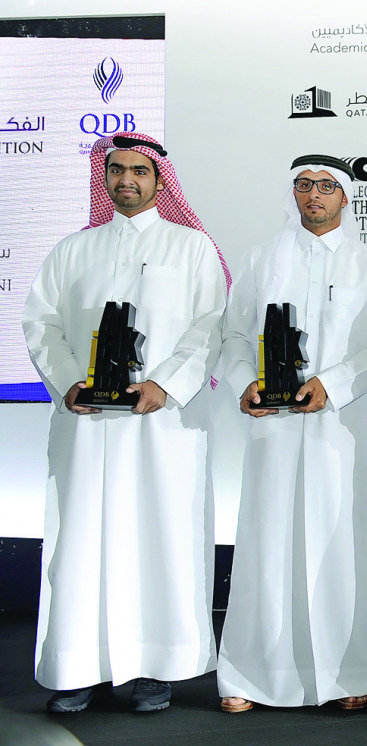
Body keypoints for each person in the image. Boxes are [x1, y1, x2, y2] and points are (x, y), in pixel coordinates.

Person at [22, 132, 230, 712]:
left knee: (158, 536)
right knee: (82, 538)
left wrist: (164, 385)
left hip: (160, 427)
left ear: (160, 181)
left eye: (139, 171)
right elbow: (42, 324)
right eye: (116, 171)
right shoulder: (72, 250)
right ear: (104, 177)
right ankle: (78, 666)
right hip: (87, 425)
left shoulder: (192, 248)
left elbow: (211, 326)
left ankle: (153, 668)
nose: (126, 181)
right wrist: (69, 384)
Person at [215, 155, 367, 713]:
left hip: (340, 428)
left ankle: (350, 671)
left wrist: (332, 383)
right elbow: (235, 334)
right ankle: (250, 673)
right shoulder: (262, 259)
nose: (314, 195)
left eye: (326, 186)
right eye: (304, 186)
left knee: (343, 543)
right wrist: (245, 383)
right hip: (273, 430)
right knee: (268, 541)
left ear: (346, 197)